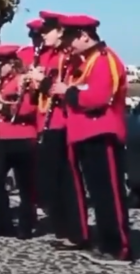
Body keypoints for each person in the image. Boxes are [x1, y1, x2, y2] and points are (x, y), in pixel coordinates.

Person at [58, 14, 133, 264]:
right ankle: (107, 241)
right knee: (99, 195)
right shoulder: (84, 60)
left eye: (69, 36)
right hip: (85, 134)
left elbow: (97, 97)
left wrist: (67, 92)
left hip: (102, 133)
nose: (66, 42)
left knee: (109, 194)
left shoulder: (104, 59)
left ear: (84, 35)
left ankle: (119, 248)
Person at [27, 10, 87, 250]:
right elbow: (40, 95)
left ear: (60, 31)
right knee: (49, 182)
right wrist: (33, 83)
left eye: (46, 31)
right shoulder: (46, 56)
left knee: (68, 181)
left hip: (62, 122)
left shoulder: (69, 56)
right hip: (46, 122)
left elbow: (70, 89)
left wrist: (42, 82)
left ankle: (77, 232)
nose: (42, 36)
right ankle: (62, 227)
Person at [0, 44, 37, 239]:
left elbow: (29, 109)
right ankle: (0, 221)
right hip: (1, 136)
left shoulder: (24, 81)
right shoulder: (1, 82)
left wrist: (2, 107)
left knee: (26, 184)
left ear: (10, 63)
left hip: (23, 136)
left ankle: (26, 224)